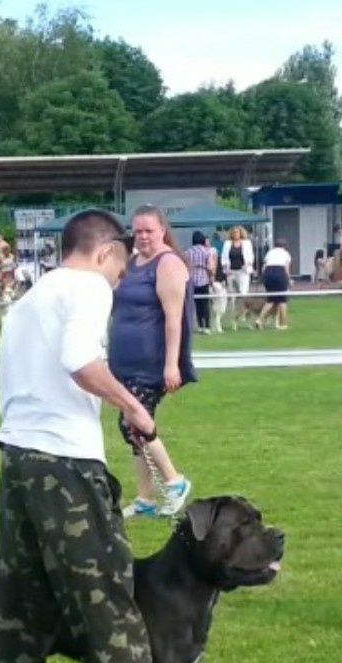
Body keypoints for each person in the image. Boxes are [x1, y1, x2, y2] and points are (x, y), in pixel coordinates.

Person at [0, 208, 236, 663]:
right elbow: (80, 360)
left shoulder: (29, 299)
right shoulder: (88, 286)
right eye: (121, 268)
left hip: (18, 467)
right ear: (104, 253)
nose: (121, 281)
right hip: (67, 472)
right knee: (116, 623)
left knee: (20, 621)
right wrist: (133, 409)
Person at [109, 205, 194, 520]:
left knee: (133, 422)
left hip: (151, 362)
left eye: (149, 230)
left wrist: (172, 365)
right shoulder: (131, 262)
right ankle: (145, 498)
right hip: (124, 362)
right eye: (138, 230)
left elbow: (174, 318)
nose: (142, 236)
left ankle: (174, 481)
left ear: (162, 230)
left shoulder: (167, 263)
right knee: (134, 433)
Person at [220, 225, 254, 326]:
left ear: (241, 233)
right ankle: (232, 314)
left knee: (243, 293)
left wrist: (247, 264)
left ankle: (243, 314)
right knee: (232, 295)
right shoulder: (227, 244)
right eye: (234, 232)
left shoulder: (246, 243)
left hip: (243, 271)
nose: (236, 234)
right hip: (231, 271)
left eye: (237, 232)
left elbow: (250, 256)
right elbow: (224, 257)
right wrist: (226, 268)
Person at [184, 230, 216, 333]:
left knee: (196, 304)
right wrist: (211, 278)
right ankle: (207, 326)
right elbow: (211, 267)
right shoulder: (207, 251)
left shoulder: (188, 252)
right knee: (205, 303)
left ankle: (200, 325)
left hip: (191, 280)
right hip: (204, 279)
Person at [257, 238, 292, 330]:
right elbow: (286, 269)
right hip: (279, 272)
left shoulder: (269, 253)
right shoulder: (286, 254)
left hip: (268, 273)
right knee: (282, 300)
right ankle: (283, 324)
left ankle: (259, 319)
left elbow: (264, 266)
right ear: (284, 246)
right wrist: (289, 280)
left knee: (270, 299)